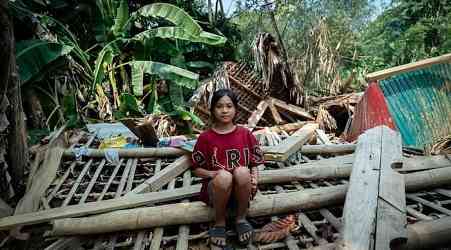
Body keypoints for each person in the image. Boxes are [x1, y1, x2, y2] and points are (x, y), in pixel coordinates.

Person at [191, 89, 264, 249]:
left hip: (242, 191)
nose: (224, 110)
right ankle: (220, 222)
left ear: (235, 109)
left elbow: (255, 163)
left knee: (243, 171)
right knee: (224, 176)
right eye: (219, 106)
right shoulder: (205, 138)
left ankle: (241, 219)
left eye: (229, 106)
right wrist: (212, 173)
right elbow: (195, 169)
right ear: (212, 110)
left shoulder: (245, 134)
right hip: (216, 191)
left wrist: (255, 179)